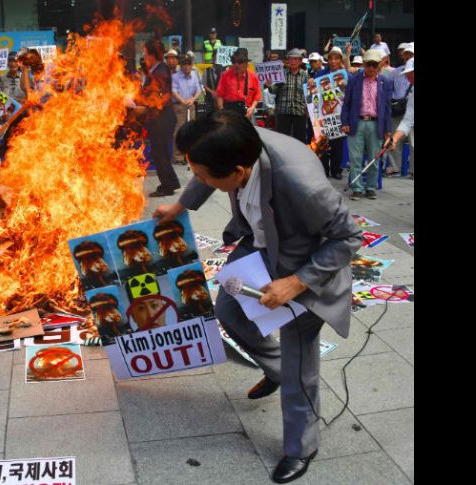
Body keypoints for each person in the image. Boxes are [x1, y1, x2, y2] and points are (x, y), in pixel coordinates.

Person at [153, 109, 363, 484]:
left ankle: (301, 445)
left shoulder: (301, 184)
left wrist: (296, 282)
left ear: (238, 172)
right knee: (229, 311)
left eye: (201, 175)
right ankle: (280, 371)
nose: (198, 179)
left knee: (301, 355)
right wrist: (179, 206)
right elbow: (206, 168)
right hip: (259, 244)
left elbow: (348, 237)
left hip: (305, 262)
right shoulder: (234, 145)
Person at [340, 50, 393, 200]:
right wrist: (344, 122)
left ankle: (370, 187)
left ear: (379, 65)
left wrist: (388, 131)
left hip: (376, 124)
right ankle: (357, 188)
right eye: (368, 64)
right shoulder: (355, 79)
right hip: (357, 121)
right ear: (364, 64)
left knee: (374, 158)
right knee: (355, 158)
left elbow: (388, 108)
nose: (371, 68)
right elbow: (347, 103)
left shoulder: (385, 82)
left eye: (374, 65)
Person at [134, 38, 180, 197]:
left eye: (145, 53)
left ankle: (167, 186)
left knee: (160, 153)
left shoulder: (160, 71)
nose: (144, 55)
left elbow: (159, 97)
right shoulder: (154, 69)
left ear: (153, 55)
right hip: (158, 118)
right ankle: (171, 181)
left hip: (162, 118)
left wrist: (143, 107)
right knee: (161, 153)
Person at [307, 47, 348, 179]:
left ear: (340, 60)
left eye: (336, 58)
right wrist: (311, 82)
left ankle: (336, 170)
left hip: (339, 114)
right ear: (327, 60)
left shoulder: (346, 75)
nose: (333, 61)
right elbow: (312, 91)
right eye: (331, 58)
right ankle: (323, 170)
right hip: (323, 115)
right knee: (322, 143)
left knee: (338, 144)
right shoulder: (320, 74)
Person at [266, 49, 309, 143]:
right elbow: (274, 90)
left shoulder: (305, 75)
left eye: (296, 59)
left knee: (300, 140)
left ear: (300, 61)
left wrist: (308, 109)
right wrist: (269, 85)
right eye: (291, 59)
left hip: (300, 112)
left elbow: (308, 94)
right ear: (287, 61)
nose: (293, 61)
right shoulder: (281, 73)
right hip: (283, 112)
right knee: (282, 140)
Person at [384, 44, 414, 176]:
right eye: (406, 74)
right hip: (399, 109)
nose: (408, 77)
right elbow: (408, 120)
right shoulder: (412, 95)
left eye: (410, 74)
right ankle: (395, 168)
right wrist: (394, 139)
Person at [215, 48, 261, 121]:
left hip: (246, 114)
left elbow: (257, 95)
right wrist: (222, 111)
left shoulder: (253, 77)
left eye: (239, 62)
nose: (236, 64)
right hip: (229, 112)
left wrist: (252, 108)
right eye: (234, 61)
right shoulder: (225, 75)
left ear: (246, 64)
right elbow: (219, 95)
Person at [171, 56, 202, 165]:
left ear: (191, 65)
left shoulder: (194, 74)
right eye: (184, 64)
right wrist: (183, 101)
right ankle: (178, 156)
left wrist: (193, 99)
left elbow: (199, 89)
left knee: (191, 130)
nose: (186, 66)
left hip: (191, 105)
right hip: (179, 106)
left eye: (188, 64)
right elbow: (174, 92)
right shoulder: (175, 76)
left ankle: (189, 155)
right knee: (179, 130)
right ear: (181, 65)